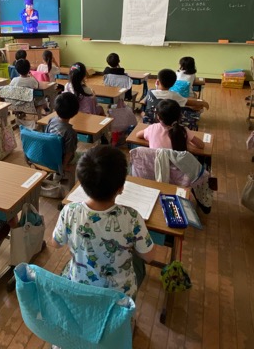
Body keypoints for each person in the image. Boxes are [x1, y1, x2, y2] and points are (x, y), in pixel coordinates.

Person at [51, 145, 155, 301]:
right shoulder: (132, 217)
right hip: (118, 297)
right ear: (121, 188)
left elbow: (56, 243)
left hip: (79, 287)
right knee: (139, 265)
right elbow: (149, 256)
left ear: (82, 183)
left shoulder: (69, 211)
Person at [136, 99, 205, 150]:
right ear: (180, 116)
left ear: (158, 117)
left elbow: (138, 135)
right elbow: (201, 145)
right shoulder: (183, 131)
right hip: (177, 168)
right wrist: (188, 143)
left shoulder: (152, 128)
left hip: (157, 167)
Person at [144, 68, 209, 113]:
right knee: (197, 109)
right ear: (173, 84)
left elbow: (145, 102)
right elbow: (189, 102)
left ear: (157, 82)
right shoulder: (173, 95)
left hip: (152, 119)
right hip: (168, 121)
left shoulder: (150, 92)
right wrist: (203, 103)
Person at [45, 92, 79, 171]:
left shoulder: (51, 120)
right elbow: (69, 153)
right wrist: (63, 166)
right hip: (61, 159)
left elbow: (46, 136)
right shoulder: (70, 132)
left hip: (49, 154)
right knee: (84, 156)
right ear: (75, 112)